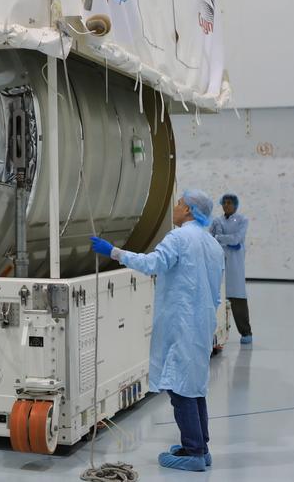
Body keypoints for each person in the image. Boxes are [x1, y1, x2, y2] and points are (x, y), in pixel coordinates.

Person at [91, 189, 224, 473]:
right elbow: (215, 294)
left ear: (188, 210)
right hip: (201, 323)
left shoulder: (179, 238)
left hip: (181, 324)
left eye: (179, 203)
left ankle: (194, 453)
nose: (174, 207)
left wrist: (113, 252)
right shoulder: (213, 245)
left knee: (180, 388)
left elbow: (152, 264)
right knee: (194, 386)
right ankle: (201, 448)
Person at [210, 193, 253, 344]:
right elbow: (211, 239)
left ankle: (246, 332)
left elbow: (236, 238)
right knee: (217, 298)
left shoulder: (242, 220)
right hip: (219, 262)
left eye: (229, 203)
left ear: (235, 205)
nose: (226, 205)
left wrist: (220, 238)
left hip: (235, 264)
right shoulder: (217, 221)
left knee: (238, 297)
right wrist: (227, 240)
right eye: (224, 202)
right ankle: (213, 332)